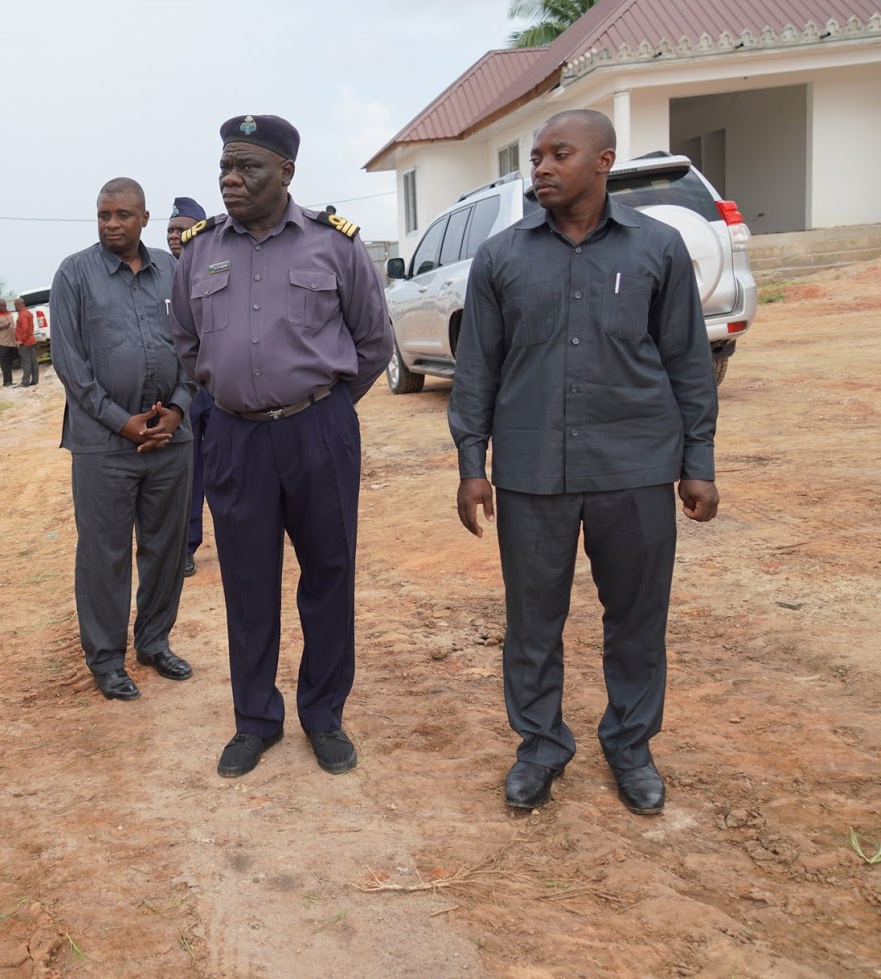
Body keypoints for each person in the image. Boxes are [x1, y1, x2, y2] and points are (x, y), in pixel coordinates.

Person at [448, 109, 720, 816]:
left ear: (603, 161)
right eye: (535, 156)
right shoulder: (501, 258)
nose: (540, 167)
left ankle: (630, 746)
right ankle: (540, 746)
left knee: (636, 618)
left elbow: (688, 361)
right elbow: (477, 369)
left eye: (558, 154)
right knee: (532, 620)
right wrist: (472, 463)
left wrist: (699, 459)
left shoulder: (657, 247)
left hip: (636, 465)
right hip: (531, 471)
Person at [171, 115, 392, 779]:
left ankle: (323, 715)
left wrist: (323, 408)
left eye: (248, 168)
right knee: (247, 581)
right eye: (225, 168)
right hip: (234, 435)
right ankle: (256, 720)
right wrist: (233, 394)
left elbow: (373, 340)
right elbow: (186, 343)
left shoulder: (334, 244)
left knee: (329, 574)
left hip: (317, 429)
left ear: (287, 171)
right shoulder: (199, 251)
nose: (231, 180)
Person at [50, 177, 196, 703]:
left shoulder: (173, 271)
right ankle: (107, 660)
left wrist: (177, 408)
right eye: (103, 215)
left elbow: (194, 344)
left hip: (171, 439)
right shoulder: (74, 274)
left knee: (166, 548)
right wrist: (121, 421)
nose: (112, 224)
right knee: (104, 554)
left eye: (123, 215)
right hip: (104, 445)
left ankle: (154, 642)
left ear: (145, 218)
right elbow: (70, 363)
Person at [166, 197, 214, 577]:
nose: (174, 236)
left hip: (221, 386)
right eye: (169, 230)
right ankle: (186, 546)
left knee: (234, 466)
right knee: (190, 471)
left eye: (182, 229)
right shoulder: (160, 274)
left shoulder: (218, 265)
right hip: (185, 389)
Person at [0, 298, 18, 387]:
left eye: (4, 306)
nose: (3, 307)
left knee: (10, 362)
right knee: (4, 363)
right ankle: (6, 381)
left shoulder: (9, 313)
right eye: (1, 306)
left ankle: (10, 380)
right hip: (2, 343)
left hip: (12, 342)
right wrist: (3, 327)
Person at [166, 195, 204, 259]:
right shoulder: (161, 264)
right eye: (170, 231)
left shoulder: (215, 261)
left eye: (181, 230)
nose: (173, 236)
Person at [14, 296, 40, 387]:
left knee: (26, 362)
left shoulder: (23, 315)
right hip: (31, 341)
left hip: (25, 343)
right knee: (33, 362)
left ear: (20, 305)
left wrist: (20, 340)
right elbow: (30, 328)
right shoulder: (28, 313)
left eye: (16, 305)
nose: (15, 307)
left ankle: (25, 382)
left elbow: (25, 329)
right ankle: (35, 380)